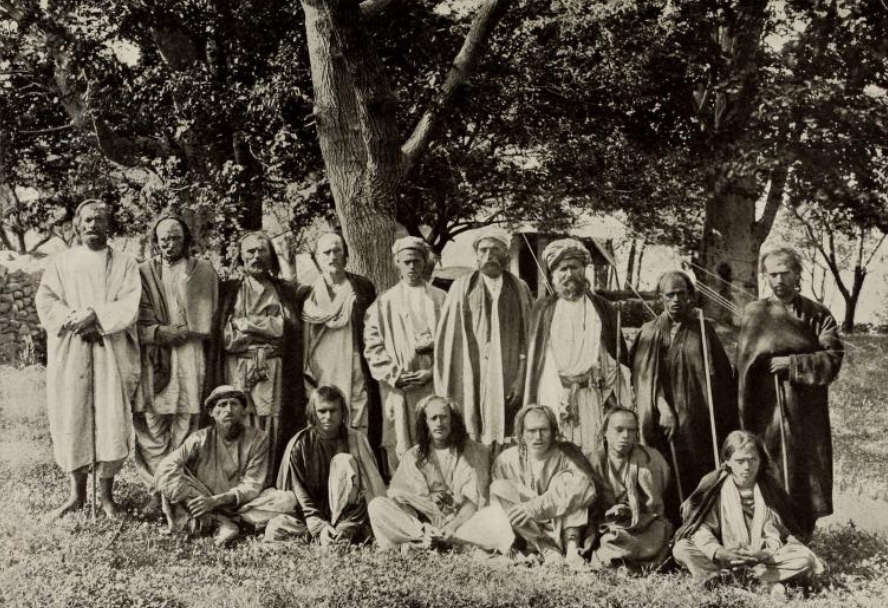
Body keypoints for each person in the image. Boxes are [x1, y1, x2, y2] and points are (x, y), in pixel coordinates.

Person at [36, 199, 141, 519]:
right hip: (72, 346)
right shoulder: (62, 262)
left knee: (110, 416)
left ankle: (107, 496)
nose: (93, 225)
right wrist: (74, 320)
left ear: (110, 226)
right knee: (72, 414)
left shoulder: (124, 262)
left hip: (109, 347)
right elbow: (47, 299)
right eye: (87, 220)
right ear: (77, 225)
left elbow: (130, 301)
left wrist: (97, 317)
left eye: (100, 220)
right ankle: (76, 495)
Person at [736, 247, 843, 539]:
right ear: (765, 277)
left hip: (805, 409)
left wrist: (793, 363)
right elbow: (744, 364)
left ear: (797, 273)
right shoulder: (755, 313)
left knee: (805, 468)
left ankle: (803, 531)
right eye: (772, 274)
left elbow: (832, 358)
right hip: (766, 408)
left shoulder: (818, 314)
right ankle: (769, 530)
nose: (779, 279)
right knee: (770, 466)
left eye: (785, 272)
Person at [630, 271, 737, 517]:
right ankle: (666, 526)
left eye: (681, 294)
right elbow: (643, 377)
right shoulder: (649, 332)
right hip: (660, 418)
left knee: (697, 468)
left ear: (690, 296)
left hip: (696, 420)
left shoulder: (702, 329)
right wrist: (663, 408)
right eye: (670, 295)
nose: (676, 299)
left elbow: (720, 377)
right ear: (661, 298)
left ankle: (698, 522)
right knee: (662, 468)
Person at [134, 214, 219, 512]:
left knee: (187, 420)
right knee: (153, 423)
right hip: (156, 355)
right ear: (155, 242)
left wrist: (191, 330)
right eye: (163, 239)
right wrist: (161, 332)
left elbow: (213, 315)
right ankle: (157, 490)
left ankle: (178, 491)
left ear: (186, 239)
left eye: (175, 237)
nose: (169, 244)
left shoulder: (202, 271)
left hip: (190, 353)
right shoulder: (143, 272)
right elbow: (133, 319)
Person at [673, 431, 825, 594]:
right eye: (740, 461)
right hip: (724, 557)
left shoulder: (770, 488)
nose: (747, 466)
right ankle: (757, 583)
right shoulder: (713, 487)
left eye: (753, 459)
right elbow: (700, 529)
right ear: (728, 461)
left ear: (761, 460)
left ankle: (732, 584)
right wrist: (722, 553)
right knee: (682, 548)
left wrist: (762, 554)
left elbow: (778, 534)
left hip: (763, 560)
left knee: (805, 559)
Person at [208, 231, 303, 484]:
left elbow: (285, 329)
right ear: (241, 255)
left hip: (273, 368)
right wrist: (267, 327)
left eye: (262, 250)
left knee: (270, 424)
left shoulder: (282, 290)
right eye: (250, 251)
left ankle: (266, 482)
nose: (256, 256)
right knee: (236, 419)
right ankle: (235, 483)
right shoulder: (230, 291)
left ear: (270, 255)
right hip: (237, 367)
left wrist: (247, 325)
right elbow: (227, 337)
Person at [524, 238, 630, 454]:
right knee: (555, 451)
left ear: (584, 269)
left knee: (591, 451)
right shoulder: (542, 310)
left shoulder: (602, 308)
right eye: (563, 269)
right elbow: (535, 360)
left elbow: (614, 356)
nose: (569, 274)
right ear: (553, 275)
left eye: (575, 267)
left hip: (591, 394)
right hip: (552, 393)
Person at [369, 395, 507, 553]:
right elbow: (401, 498)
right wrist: (425, 526)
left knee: (494, 515)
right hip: (425, 524)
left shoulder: (474, 451)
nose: (439, 423)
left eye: (444, 417)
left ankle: (434, 543)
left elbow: (473, 502)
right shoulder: (414, 455)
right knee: (377, 505)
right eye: (433, 418)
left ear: (453, 420)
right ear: (425, 422)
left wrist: (452, 527)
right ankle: (425, 540)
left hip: (463, 521)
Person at [434, 226, 532, 450]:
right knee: (474, 427)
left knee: (510, 431)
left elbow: (528, 337)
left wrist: (520, 376)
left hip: (509, 373)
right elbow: (449, 340)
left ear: (506, 257)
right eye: (484, 250)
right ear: (476, 256)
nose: (489, 256)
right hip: (474, 374)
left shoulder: (520, 288)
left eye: (495, 250)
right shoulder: (461, 287)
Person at [364, 236, 447, 471]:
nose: (412, 267)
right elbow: (372, 346)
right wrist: (395, 375)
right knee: (402, 440)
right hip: (401, 386)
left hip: (434, 382)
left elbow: (453, 345)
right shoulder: (384, 303)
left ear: (425, 262)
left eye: (417, 261)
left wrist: (432, 372)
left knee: (436, 435)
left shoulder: (442, 298)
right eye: (407, 261)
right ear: (397, 263)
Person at [265, 386, 386, 545]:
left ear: (342, 412)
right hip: (311, 516)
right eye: (322, 411)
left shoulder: (355, 439)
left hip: (350, 516)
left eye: (333, 410)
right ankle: (325, 535)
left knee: (343, 460)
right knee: (276, 527)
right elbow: (299, 493)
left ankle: (343, 533)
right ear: (312, 412)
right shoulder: (300, 444)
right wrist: (319, 526)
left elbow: (365, 490)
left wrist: (346, 525)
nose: (328, 416)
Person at [299, 233, 381, 461]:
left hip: (354, 361)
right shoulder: (306, 292)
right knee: (324, 414)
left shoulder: (361, 287)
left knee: (357, 414)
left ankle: (360, 467)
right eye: (326, 252)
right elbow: (302, 338)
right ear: (317, 257)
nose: (332, 256)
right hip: (321, 365)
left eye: (337, 250)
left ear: (345, 254)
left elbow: (372, 327)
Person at [155, 386, 270, 546]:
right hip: (201, 498)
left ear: (244, 410)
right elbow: (166, 466)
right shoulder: (199, 438)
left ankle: (209, 522)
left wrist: (215, 501)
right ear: (211, 413)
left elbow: (252, 485)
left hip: (239, 504)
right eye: (222, 405)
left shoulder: (258, 438)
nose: (228, 410)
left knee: (285, 500)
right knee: (168, 477)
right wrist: (196, 500)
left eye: (234, 404)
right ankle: (219, 522)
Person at [490, 405, 596, 567]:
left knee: (569, 481)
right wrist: (527, 510)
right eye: (531, 431)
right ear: (521, 433)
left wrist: (534, 507)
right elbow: (500, 505)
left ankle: (572, 551)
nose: (538, 437)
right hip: (528, 530)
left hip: (563, 525)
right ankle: (547, 549)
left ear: (553, 431)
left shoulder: (567, 453)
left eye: (543, 430)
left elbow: (584, 487)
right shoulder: (506, 460)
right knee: (498, 487)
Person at [586, 408, 672, 570]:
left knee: (659, 533)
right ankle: (625, 563)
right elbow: (587, 505)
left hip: (643, 524)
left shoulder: (651, 458)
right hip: (606, 526)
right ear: (605, 432)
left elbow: (654, 504)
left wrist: (628, 509)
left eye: (631, 430)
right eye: (619, 430)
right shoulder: (592, 461)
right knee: (609, 539)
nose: (625, 435)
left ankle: (628, 563)